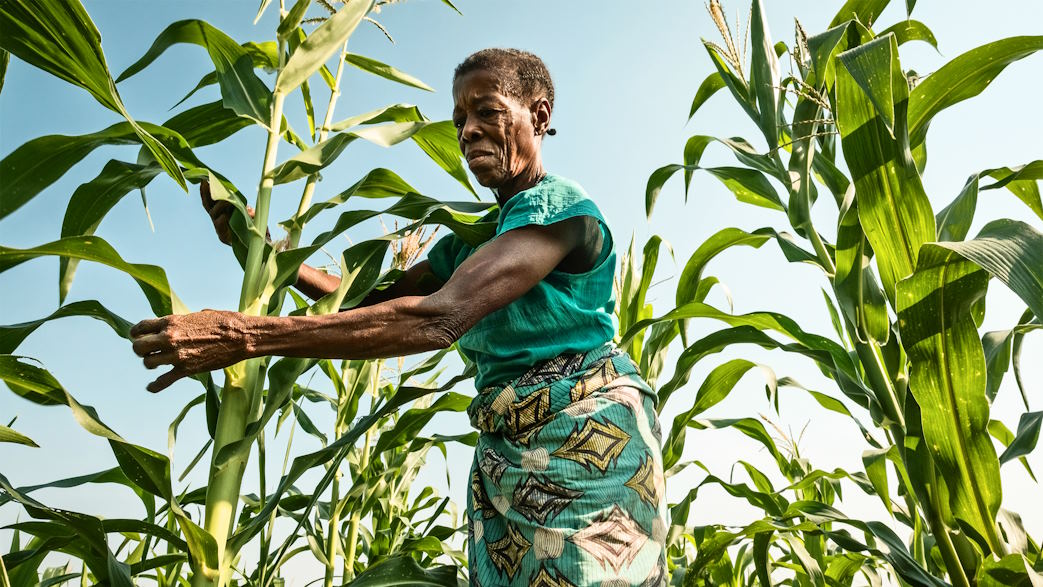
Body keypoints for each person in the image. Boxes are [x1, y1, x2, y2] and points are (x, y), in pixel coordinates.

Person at [131, 48, 667, 587]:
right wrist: (266, 253)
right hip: (513, 454)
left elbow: (442, 317)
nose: (468, 131)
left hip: (584, 449)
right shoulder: (471, 240)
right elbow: (370, 299)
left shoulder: (561, 211)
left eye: (488, 112)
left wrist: (244, 336)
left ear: (540, 117)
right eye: (460, 120)